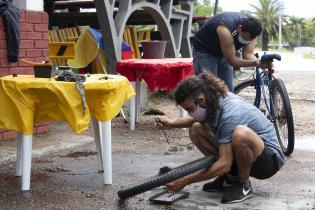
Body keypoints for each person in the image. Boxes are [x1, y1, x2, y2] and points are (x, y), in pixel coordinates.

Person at [155, 72, 285, 204]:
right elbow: (198, 117)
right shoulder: (212, 100)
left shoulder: (230, 112)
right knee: (196, 129)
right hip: (245, 154)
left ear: (201, 100)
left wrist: (185, 181)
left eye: (190, 109)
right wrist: (172, 123)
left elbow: (225, 163)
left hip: (268, 161)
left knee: (240, 134)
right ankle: (230, 179)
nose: (190, 113)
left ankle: (243, 184)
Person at [192, 12, 266, 91]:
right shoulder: (224, 29)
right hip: (205, 50)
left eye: (249, 40)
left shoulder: (254, 30)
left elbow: (248, 53)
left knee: (227, 89)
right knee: (209, 88)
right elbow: (232, 61)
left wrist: (261, 63)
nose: (245, 41)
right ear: (240, 28)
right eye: (244, 38)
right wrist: (255, 63)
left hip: (225, 52)